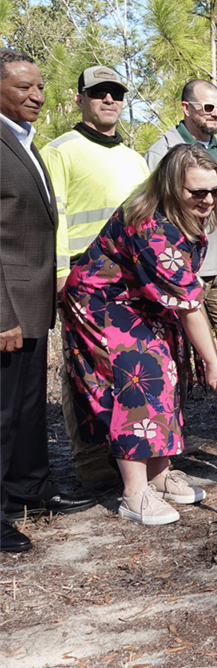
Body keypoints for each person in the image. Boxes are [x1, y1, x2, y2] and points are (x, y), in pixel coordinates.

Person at [62, 145, 217, 525]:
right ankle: (134, 491)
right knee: (140, 375)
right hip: (100, 302)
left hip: (142, 301)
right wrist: (213, 362)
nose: (208, 200)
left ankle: (158, 473)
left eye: (215, 191)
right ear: (172, 187)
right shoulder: (152, 227)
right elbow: (190, 305)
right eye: (198, 192)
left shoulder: (184, 215)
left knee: (169, 369)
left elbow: (182, 293)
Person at [0, 50, 95, 552]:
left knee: (30, 405)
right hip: (8, 306)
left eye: (39, 87)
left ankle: (30, 491)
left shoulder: (26, 142)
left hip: (34, 299)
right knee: (3, 410)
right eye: (23, 88)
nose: (36, 96)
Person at [43, 65, 151, 489]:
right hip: (82, 280)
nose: (109, 100)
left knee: (127, 369)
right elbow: (56, 216)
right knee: (83, 370)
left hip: (129, 280)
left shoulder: (132, 156)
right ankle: (90, 462)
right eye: (99, 92)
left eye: (116, 93)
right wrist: (61, 273)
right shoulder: (60, 150)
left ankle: (128, 451)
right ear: (80, 99)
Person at [146, 79, 217, 437]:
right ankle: (172, 439)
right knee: (176, 358)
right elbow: (156, 217)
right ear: (186, 108)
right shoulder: (163, 152)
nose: (216, 114)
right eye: (208, 107)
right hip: (179, 272)